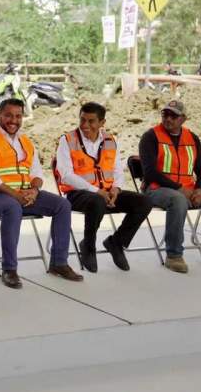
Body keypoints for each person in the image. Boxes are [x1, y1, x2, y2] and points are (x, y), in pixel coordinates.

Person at [0, 98, 83, 289]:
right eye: (8, 115)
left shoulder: (25, 141)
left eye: (18, 116)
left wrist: (34, 190)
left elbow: (37, 173)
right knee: (13, 208)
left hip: (24, 195)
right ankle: (9, 269)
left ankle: (59, 263)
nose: (13, 120)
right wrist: (17, 196)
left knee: (62, 205)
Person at [138, 100, 201, 273]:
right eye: (165, 114)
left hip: (187, 188)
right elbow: (149, 172)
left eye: (173, 116)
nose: (168, 118)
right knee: (178, 200)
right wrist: (179, 188)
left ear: (183, 119)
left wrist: (200, 189)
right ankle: (174, 255)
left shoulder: (192, 138)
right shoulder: (150, 137)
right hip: (156, 189)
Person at [55, 102, 153, 272]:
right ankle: (88, 246)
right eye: (82, 120)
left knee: (144, 202)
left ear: (102, 122)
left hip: (106, 193)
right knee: (96, 201)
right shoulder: (67, 140)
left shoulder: (111, 140)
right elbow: (66, 175)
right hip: (77, 194)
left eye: (91, 121)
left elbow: (117, 170)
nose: (85, 125)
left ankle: (116, 242)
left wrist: (116, 189)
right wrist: (97, 191)